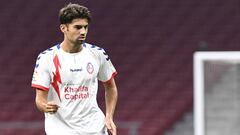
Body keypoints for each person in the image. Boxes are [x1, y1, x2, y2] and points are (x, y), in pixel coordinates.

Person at [31, 3, 118, 135]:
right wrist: (45, 106)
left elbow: (110, 87)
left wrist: (109, 116)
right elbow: (39, 100)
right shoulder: (46, 58)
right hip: (60, 130)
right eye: (77, 27)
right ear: (63, 28)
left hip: (94, 128)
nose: (83, 32)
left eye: (85, 27)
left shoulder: (98, 54)